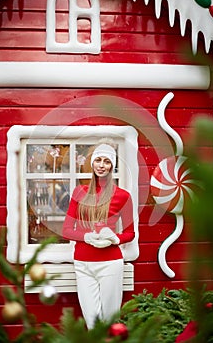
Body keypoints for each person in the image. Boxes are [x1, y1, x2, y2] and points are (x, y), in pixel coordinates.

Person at [62, 139, 135, 329]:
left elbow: (130, 233)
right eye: (98, 160)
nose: (101, 165)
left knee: (111, 322)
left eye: (107, 161)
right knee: (93, 323)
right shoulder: (79, 192)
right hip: (83, 264)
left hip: (110, 263)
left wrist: (114, 238)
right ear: (92, 162)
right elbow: (66, 230)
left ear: (112, 166)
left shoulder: (123, 196)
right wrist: (86, 237)